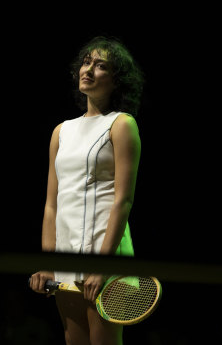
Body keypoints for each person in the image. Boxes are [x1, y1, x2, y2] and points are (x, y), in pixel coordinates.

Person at [29, 36, 144, 345]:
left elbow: (123, 199)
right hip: (66, 262)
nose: (89, 69)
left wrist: (104, 265)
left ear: (117, 79)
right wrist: (48, 262)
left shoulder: (121, 125)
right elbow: (51, 205)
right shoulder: (61, 131)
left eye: (100, 65)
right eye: (86, 62)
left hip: (105, 257)